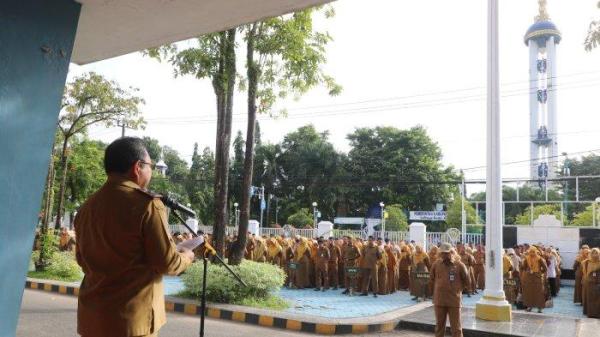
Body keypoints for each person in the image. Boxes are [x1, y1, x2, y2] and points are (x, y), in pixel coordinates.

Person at [74, 137, 195, 337]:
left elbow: (82, 259)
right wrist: (186, 255)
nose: (152, 171)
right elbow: (167, 263)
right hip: (131, 322)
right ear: (137, 167)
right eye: (150, 166)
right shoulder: (147, 205)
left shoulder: (87, 208)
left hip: (93, 321)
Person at [430, 243, 470, 337]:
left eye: (447, 253)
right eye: (442, 253)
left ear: (452, 252)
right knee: (439, 327)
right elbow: (431, 280)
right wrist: (435, 293)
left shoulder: (459, 265)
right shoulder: (436, 264)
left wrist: (457, 289)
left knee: (456, 328)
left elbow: (467, 281)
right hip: (439, 300)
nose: (444, 255)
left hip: (454, 301)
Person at [520, 247, 548, 313]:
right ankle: (533, 307)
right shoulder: (529, 258)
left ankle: (536, 307)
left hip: (533, 278)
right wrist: (539, 272)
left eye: (533, 252)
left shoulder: (538, 259)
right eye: (531, 252)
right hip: (533, 278)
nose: (532, 253)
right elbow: (545, 269)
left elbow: (523, 267)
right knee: (532, 293)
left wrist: (538, 272)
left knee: (537, 293)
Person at [582, 248, 600, 318]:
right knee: (589, 300)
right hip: (589, 284)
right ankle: (590, 313)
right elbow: (585, 273)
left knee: (597, 300)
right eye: (593, 253)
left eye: (596, 253)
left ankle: (596, 314)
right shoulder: (586, 262)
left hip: (598, 283)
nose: (594, 255)